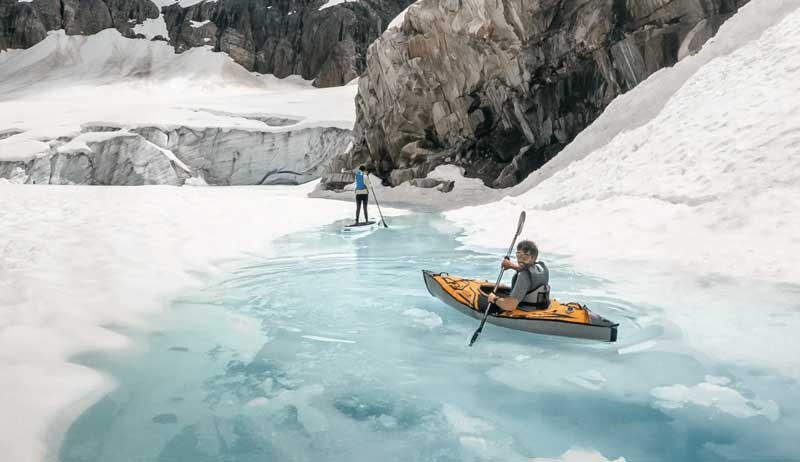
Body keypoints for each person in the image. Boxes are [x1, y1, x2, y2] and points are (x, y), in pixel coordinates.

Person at [486, 240, 550, 312]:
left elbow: (510, 306)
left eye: (525, 256)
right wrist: (511, 265)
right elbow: (525, 268)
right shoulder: (540, 268)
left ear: (533, 258)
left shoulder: (524, 276)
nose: (520, 259)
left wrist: (494, 299)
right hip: (541, 307)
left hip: (526, 310)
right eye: (518, 254)